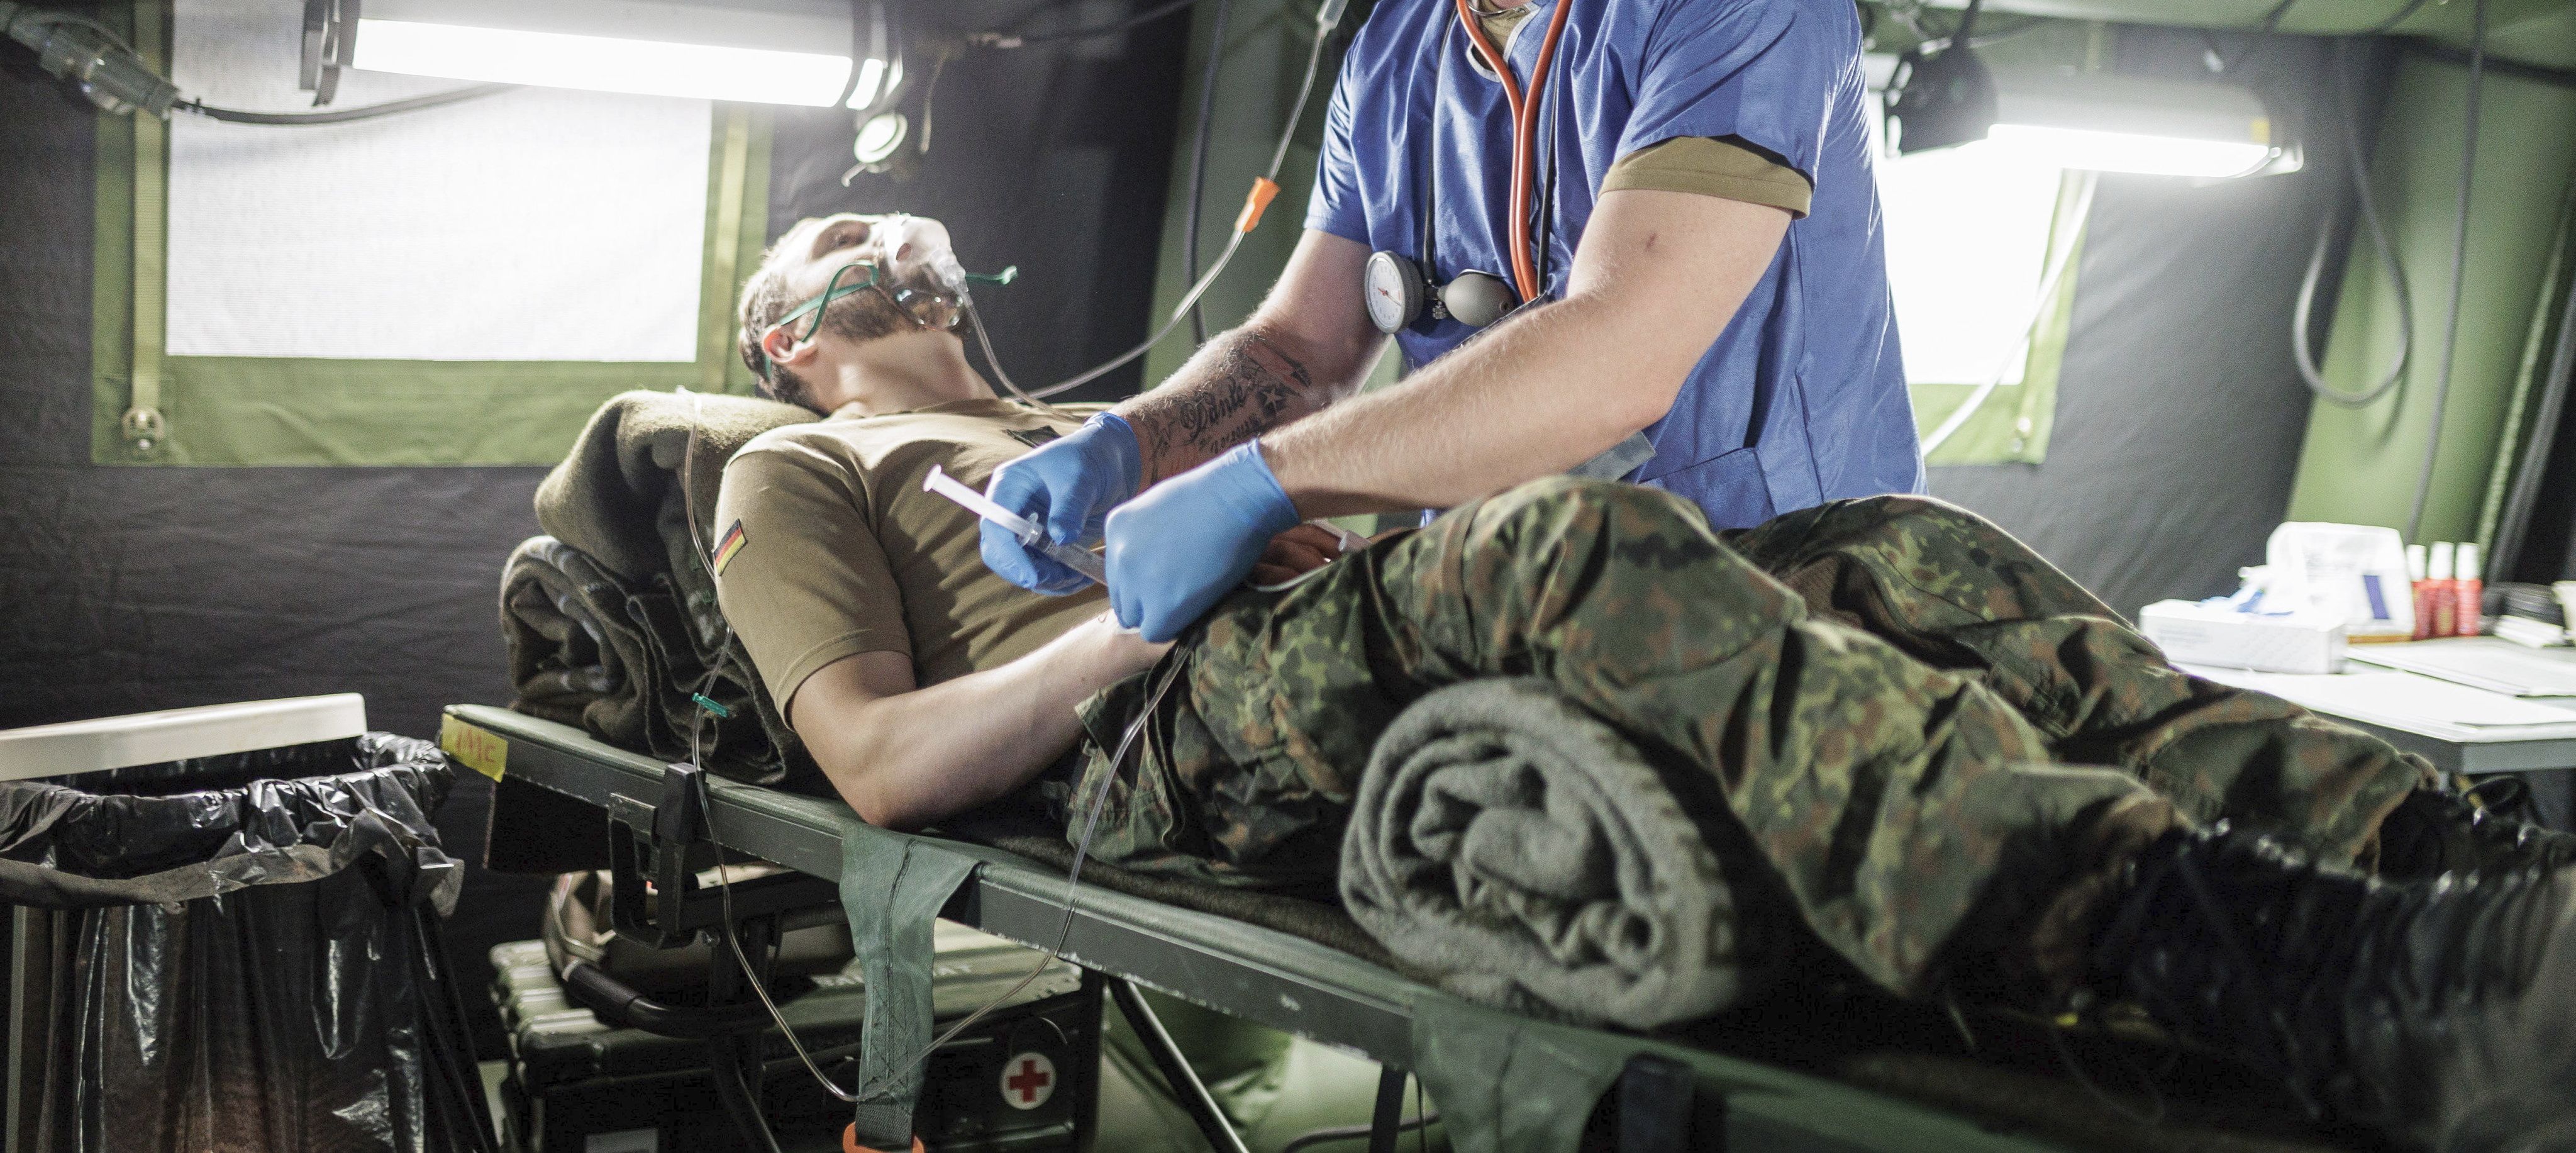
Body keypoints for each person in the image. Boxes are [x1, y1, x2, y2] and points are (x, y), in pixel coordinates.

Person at [718, 209, 2576, 1150]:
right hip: (1147, 736)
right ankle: (2260, 965)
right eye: (837, 243)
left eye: (914, 233)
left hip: (1329, 639)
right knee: (1548, 541)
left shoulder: (1099, 429)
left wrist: (1204, 485)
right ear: (790, 339)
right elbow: (877, 763)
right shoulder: (786, 471)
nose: (894, 235)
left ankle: (2440, 870)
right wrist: (1145, 602)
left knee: (1887, 541)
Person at [982, 0, 1920, 647]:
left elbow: (1618, 355)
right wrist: (1131, 443)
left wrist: (1261, 486)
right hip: (1514, 603)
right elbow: (1301, 350)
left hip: (1784, 603)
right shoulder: (1393, 51)